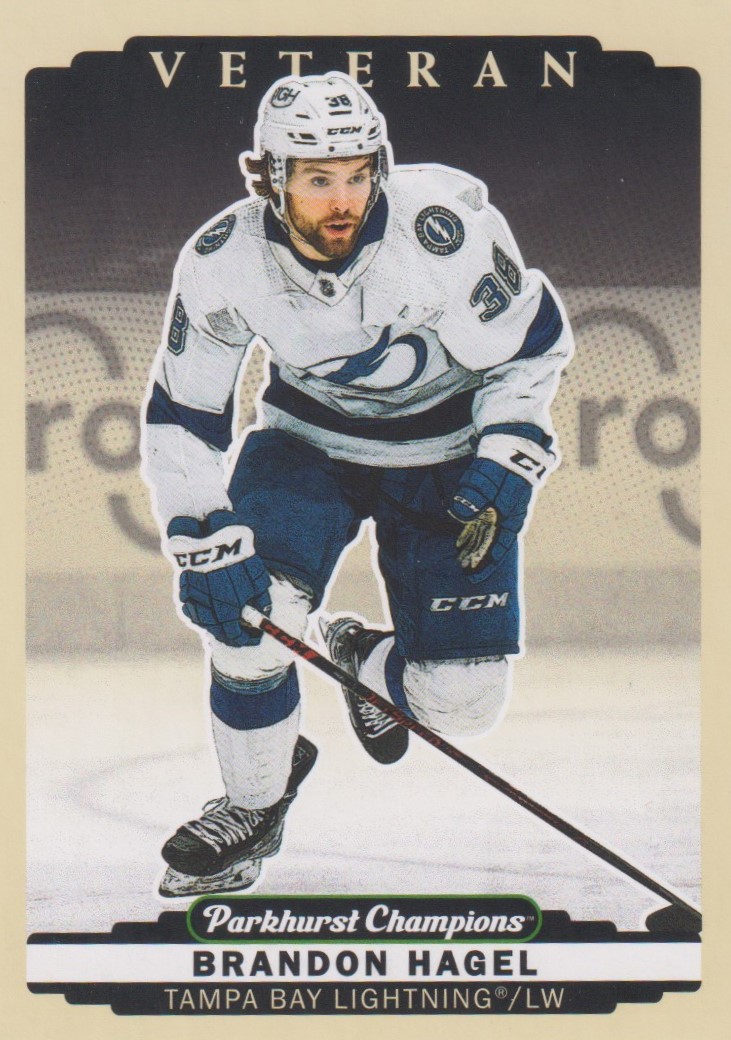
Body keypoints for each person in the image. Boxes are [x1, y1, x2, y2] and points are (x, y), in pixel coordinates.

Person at [141, 71, 573, 897]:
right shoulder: (222, 259)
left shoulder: (440, 233)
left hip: (446, 453)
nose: (342, 201)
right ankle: (252, 806)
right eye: (316, 179)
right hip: (307, 447)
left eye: (357, 174)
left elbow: (528, 351)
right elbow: (183, 413)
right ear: (268, 177)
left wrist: (508, 451)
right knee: (250, 624)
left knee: (461, 703)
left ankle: (361, 659)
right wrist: (199, 533)